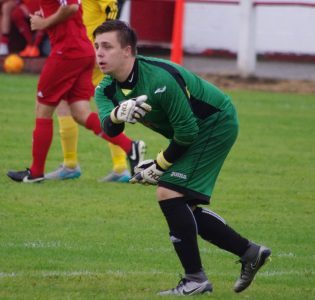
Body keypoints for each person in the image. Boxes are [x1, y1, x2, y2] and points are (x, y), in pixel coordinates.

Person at [93, 20, 272, 296]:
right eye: (96, 47)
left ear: (128, 51)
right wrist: (117, 115)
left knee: (168, 193)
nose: (99, 53)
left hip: (215, 123)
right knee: (180, 204)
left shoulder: (160, 79)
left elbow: (187, 133)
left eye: (107, 46)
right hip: (193, 131)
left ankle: (195, 279)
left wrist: (159, 165)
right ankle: (250, 253)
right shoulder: (105, 88)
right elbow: (108, 126)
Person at [6, 1, 145, 183]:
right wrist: (44, 14)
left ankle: (36, 172)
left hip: (68, 51)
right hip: (82, 49)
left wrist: (44, 23)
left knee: (43, 108)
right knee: (80, 112)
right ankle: (129, 146)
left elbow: (71, 7)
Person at [45, 0, 131, 182]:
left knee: (65, 102)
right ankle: (120, 166)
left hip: (86, 52)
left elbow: (111, 7)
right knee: (106, 106)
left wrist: (104, 42)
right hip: (87, 51)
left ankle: (70, 164)